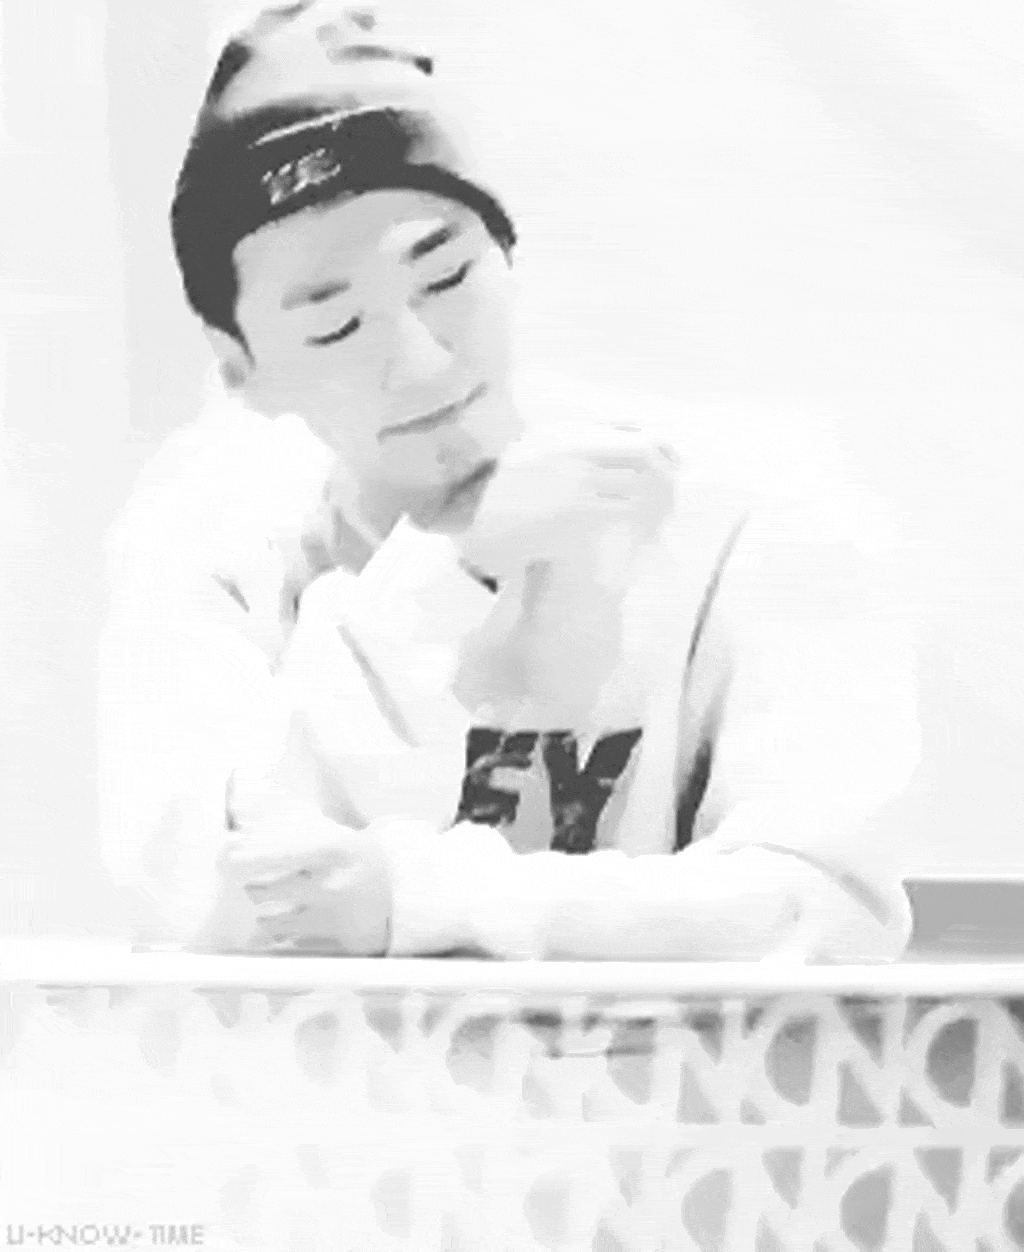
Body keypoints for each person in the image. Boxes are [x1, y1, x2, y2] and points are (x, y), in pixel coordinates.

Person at [97, 0, 922, 964]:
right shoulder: (208, 537)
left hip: (678, 1066)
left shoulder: (752, 508)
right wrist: (444, 571)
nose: (422, 361)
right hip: (327, 1069)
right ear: (239, 365)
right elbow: (217, 902)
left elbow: (829, 909)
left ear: (507, 255)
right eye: (334, 326)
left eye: (447, 276)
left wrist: (426, 901)